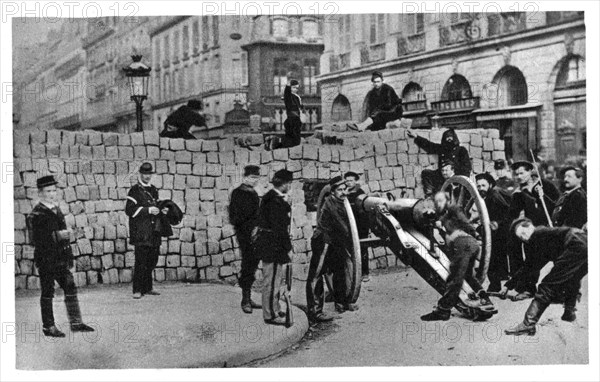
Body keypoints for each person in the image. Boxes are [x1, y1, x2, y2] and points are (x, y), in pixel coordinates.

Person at [27, 175, 95, 337]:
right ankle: (48, 326)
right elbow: (35, 240)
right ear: (40, 193)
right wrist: (61, 235)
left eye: (54, 190)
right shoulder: (36, 214)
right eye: (48, 191)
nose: (52, 194)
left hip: (60, 258)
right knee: (48, 292)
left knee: (70, 286)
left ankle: (76, 322)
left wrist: (66, 248)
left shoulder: (56, 209)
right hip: (46, 259)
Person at [503, 218, 587, 335]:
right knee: (573, 278)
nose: (525, 238)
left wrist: (509, 285)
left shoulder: (537, 234)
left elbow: (529, 265)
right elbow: (531, 267)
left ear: (530, 226)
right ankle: (569, 312)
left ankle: (528, 324)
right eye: (521, 238)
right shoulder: (545, 236)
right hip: (585, 243)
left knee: (547, 286)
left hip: (575, 244)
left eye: (523, 233)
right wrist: (509, 285)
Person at [420, 205, 494, 321]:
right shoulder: (458, 222)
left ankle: (443, 310)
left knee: (455, 278)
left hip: (462, 245)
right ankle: (485, 298)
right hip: (472, 243)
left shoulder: (443, 220)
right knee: (468, 276)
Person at [507, 160, 560, 300]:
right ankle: (528, 289)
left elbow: (558, 203)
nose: (519, 176)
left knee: (557, 258)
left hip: (549, 227)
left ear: (530, 171)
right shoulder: (518, 193)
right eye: (516, 174)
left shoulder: (544, 185)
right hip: (532, 231)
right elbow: (513, 213)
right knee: (531, 259)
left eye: (522, 173)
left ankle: (564, 291)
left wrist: (542, 197)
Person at [254, 170, 294, 325]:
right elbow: (280, 229)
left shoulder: (271, 197)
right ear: (284, 184)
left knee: (275, 280)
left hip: (271, 243)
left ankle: (275, 308)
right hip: (273, 245)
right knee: (271, 281)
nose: (290, 186)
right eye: (289, 183)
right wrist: (287, 248)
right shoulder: (275, 201)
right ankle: (270, 315)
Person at [125, 163, 168, 299]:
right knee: (141, 261)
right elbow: (129, 210)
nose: (147, 176)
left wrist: (162, 210)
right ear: (140, 174)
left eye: (149, 174)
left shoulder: (154, 190)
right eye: (145, 174)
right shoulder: (135, 190)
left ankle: (148, 287)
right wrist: (148, 210)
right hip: (141, 232)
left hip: (153, 231)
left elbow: (156, 206)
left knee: (152, 260)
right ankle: (137, 289)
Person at [317, 176, 359, 314]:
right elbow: (343, 226)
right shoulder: (329, 203)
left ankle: (346, 300)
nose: (343, 192)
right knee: (338, 271)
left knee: (345, 270)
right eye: (339, 190)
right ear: (333, 192)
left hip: (341, 241)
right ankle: (339, 302)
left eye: (344, 189)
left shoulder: (343, 202)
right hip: (328, 241)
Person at [229, 165, 262, 314]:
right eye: (252, 177)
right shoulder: (238, 193)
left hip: (255, 234)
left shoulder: (254, 193)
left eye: (257, 178)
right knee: (248, 263)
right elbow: (234, 216)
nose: (255, 180)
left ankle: (249, 296)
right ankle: (245, 300)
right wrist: (247, 228)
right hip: (244, 234)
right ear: (246, 177)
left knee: (253, 263)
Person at [475, 172, 512, 292]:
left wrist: (498, 223)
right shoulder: (491, 195)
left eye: (483, 185)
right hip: (497, 229)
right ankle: (498, 282)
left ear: (490, 184)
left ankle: (495, 285)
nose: (481, 188)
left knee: (491, 257)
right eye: (478, 186)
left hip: (500, 230)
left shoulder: (494, 195)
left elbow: (508, 210)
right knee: (496, 257)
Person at [407, 128, 472, 196]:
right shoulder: (442, 149)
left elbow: (467, 167)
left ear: (454, 138)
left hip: (455, 176)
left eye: (450, 137)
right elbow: (429, 145)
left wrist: (460, 181)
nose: (449, 139)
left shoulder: (461, 150)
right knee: (426, 173)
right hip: (442, 176)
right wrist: (416, 137)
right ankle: (430, 195)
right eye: (447, 137)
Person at [344, 171, 371, 282]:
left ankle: (365, 273)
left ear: (355, 181)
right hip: (349, 226)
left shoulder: (360, 193)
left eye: (351, 180)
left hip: (361, 226)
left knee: (362, 249)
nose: (349, 183)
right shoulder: (344, 192)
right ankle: (354, 273)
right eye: (347, 180)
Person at [266, 76, 304, 150]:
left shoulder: (297, 97)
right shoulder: (288, 96)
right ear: (290, 88)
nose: (296, 89)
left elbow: (300, 107)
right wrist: (288, 85)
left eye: (297, 88)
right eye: (294, 87)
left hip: (296, 120)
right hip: (291, 120)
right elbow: (286, 93)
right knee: (292, 141)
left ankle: (273, 141)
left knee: (295, 141)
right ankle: (274, 141)